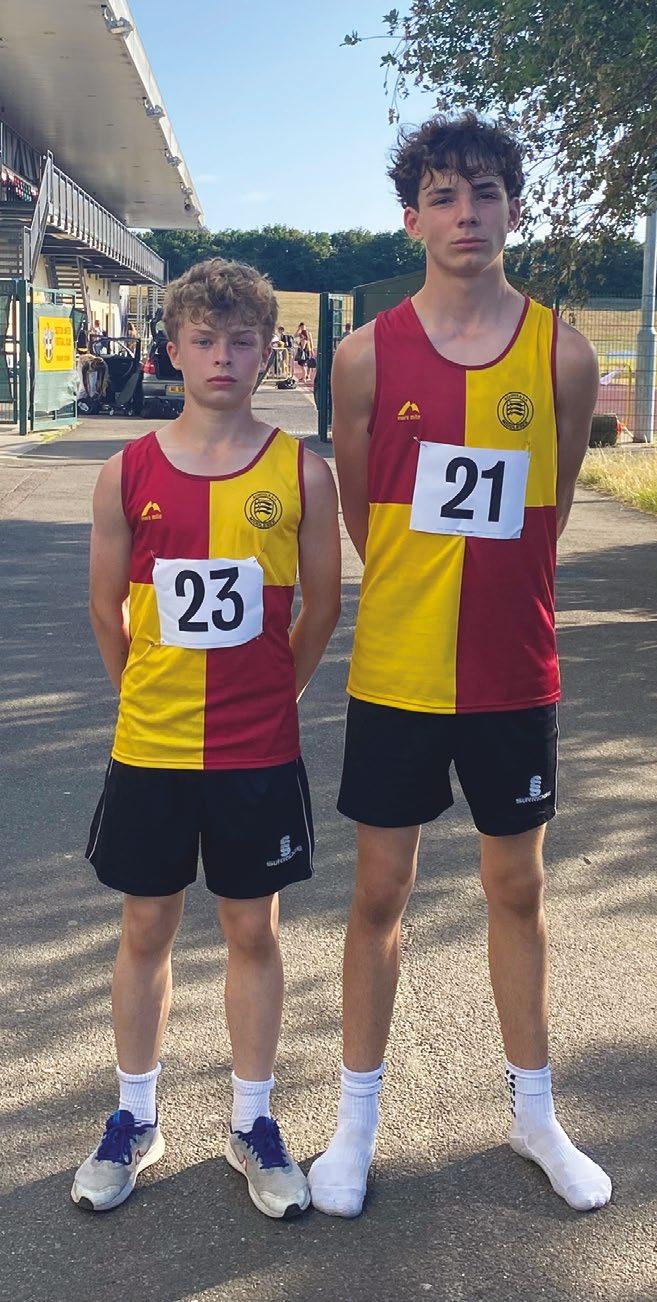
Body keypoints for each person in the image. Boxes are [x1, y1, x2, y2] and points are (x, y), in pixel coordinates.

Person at [308, 113, 612, 1218]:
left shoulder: (563, 354)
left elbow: (551, 507)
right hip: (397, 669)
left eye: (485, 193)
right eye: (443, 195)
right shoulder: (362, 356)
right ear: (412, 219)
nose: (466, 214)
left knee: (517, 888)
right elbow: (363, 510)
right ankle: (355, 1124)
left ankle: (536, 1114)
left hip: (512, 671)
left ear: (513, 209)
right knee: (377, 892)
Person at [71, 258, 341, 1219]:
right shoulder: (127, 471)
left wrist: (278, 695)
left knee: (251, 930)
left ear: (267, 352)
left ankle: (252, 1121)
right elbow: (106, 607)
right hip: (152, 746)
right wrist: (141, 697)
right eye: (204, 340)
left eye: (241, 340)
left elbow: (320, 607)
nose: (223, 356)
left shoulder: (301, 472)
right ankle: (134, 1116)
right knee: (145, 927)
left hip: (256, 751)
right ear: (174, 350)